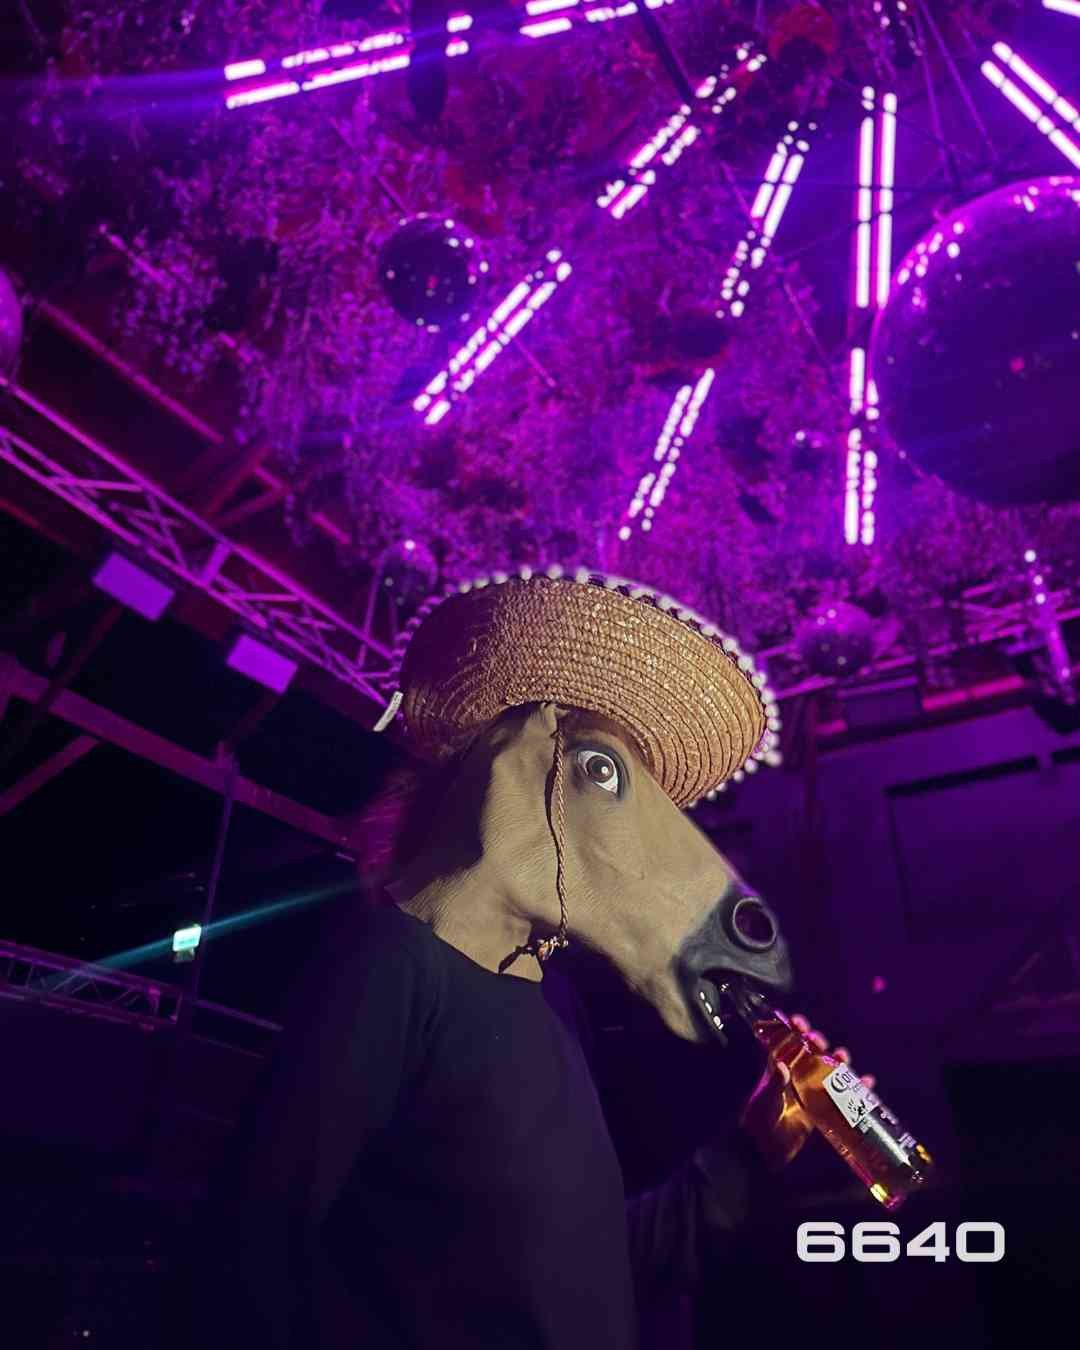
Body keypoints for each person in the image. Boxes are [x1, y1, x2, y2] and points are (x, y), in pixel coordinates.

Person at [196, 569, 875, 1349]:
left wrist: (754, 1147)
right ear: (511, 768)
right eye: (603, 773)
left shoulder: (548, 1000)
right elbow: (252, 1252)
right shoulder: (393, 962)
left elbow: (587, 1275)